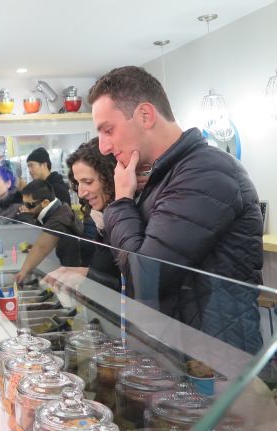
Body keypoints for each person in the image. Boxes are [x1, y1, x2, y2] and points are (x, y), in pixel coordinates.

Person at [88, 65, 264, 353]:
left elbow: (147, 278)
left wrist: (121, 202)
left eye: (108, 130)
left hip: (214, 362)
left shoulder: (207, 171)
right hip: (182, 352)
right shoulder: (169, 174)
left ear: (145, 115)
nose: (104, 146)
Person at [42, 138, 123, 292]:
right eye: (78, 183)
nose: (81, 192)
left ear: (111, 178)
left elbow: (136, 289)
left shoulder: (132, 218)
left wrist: (86, 275)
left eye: (88, 182)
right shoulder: (98, 216)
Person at [14, 180, 84, 284]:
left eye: (30, 205)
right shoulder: (60, 209)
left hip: (79, 280)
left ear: (45, 202)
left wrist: (23, 272)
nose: (25, 209)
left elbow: (41, 247)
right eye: (24, 204)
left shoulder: (58, 219)